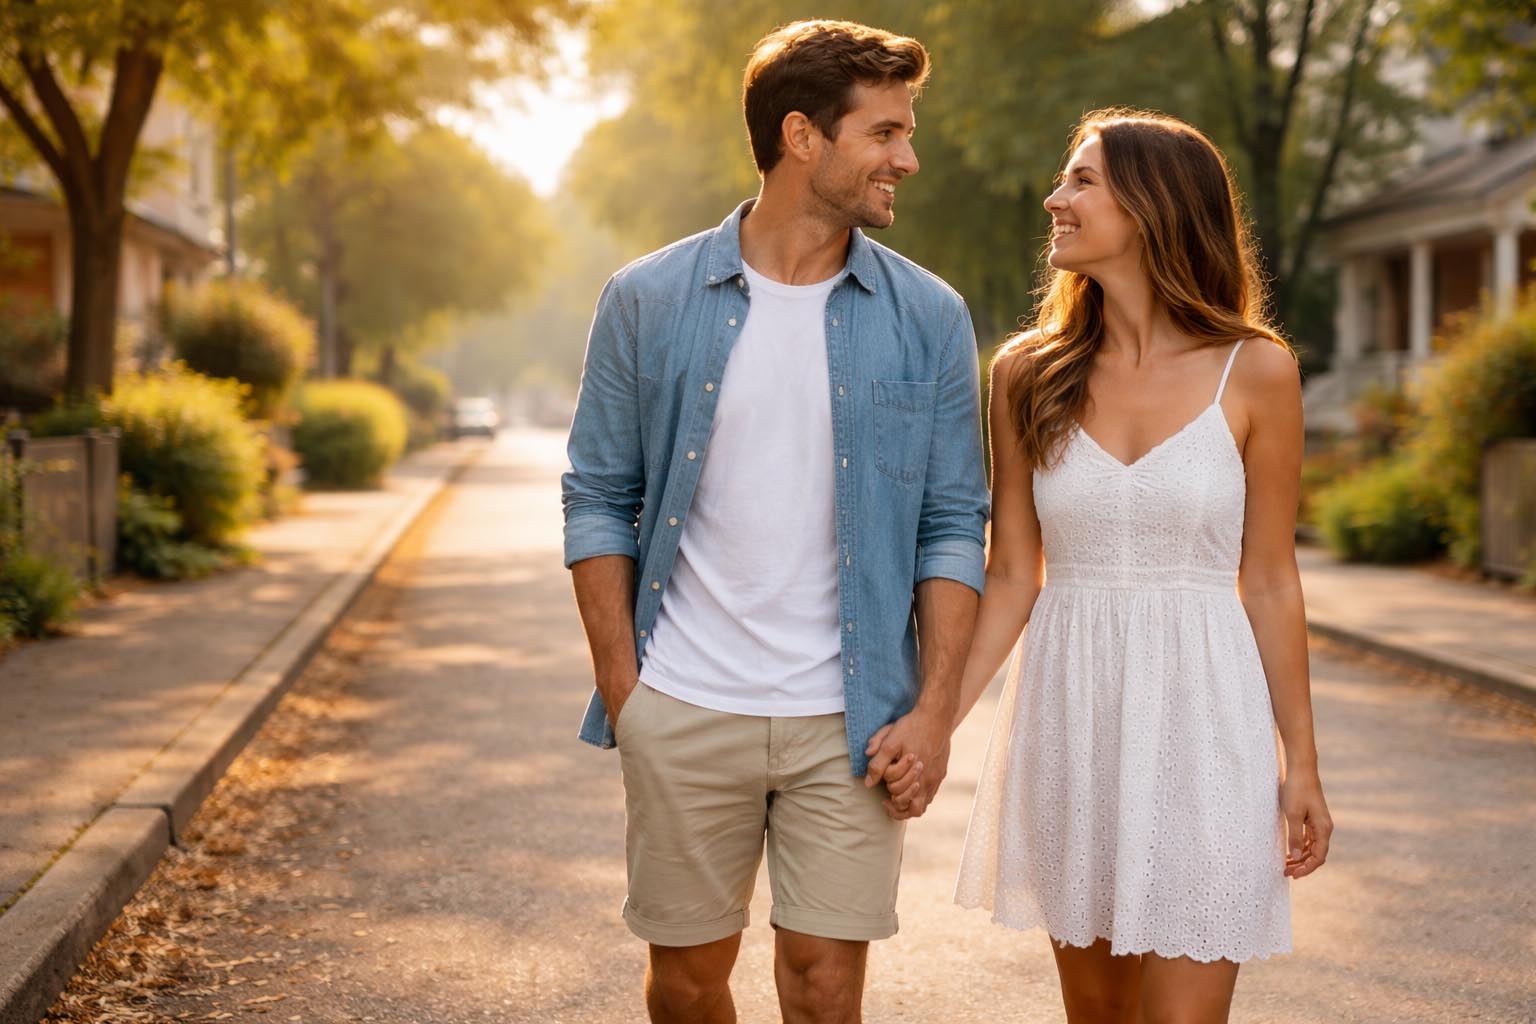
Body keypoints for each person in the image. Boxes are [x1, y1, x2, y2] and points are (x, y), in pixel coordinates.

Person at [560, 19, 989, 1023]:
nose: (908, 158)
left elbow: (953, 522)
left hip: (850, 719)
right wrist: (631, 694)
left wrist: (932, 714)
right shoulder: (647, 299)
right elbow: (596, 496)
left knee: (823, 981)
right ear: (803, 137)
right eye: (884, 133)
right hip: (686, 700)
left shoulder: (927, 316)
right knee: (690, 978)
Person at [879, 108, 1333, 1022]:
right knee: (1098, 1015)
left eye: (1081, 180)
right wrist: (937, 722)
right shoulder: (1025, 373)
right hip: (1073, 716)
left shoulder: (1256, 372)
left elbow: (1272, 580)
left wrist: (1303, 766)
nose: (1055, 198)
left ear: (1155, 206)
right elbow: (1012, 574)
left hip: (1209, 719)